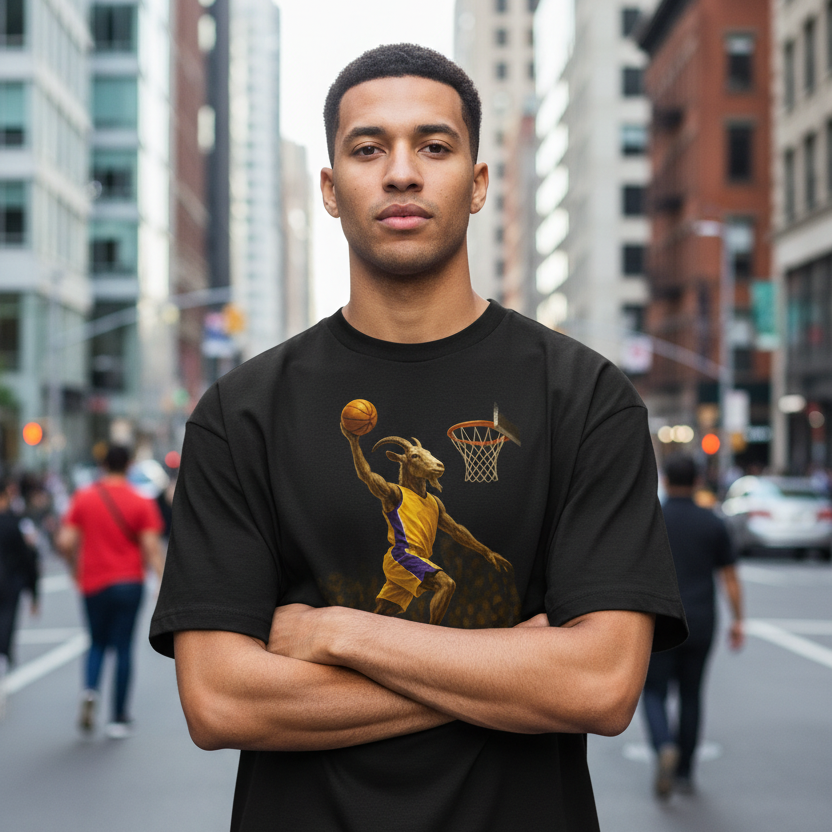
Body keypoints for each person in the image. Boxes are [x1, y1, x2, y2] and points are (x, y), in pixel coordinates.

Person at [150, 44, 687, 831]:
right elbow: (221, 701)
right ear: (330, 190)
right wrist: (517, 667)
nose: (402, 173)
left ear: (478, 183)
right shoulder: (240, 414)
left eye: (434, 147)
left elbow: (599, 687)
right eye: (369, 149)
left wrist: (336, 634)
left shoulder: (585, 398)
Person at [642, 453, 744, 799]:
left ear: (666, 480)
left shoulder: (653, 520)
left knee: (653, 691)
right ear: (698, 481)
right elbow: (730, 578)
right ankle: (685, 771)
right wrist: (738, 621)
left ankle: (663, 745)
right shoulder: (712, 522)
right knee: (691, 694)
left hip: (661, 619)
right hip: (701, 620)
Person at [57, 446, 164, 738]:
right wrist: (160, 581)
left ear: (103, 465)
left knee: (97, 642)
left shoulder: (84, 497)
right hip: (129, 582)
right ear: (129, 466)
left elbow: (65, 541)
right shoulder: (140, 501)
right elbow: (151, 547)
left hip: (93, 582)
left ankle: (90, 691)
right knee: (124, 647)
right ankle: (118, 718)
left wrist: (73, 567)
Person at [0, 479, 40, 716]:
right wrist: (34, 592)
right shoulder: (15, 523)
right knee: (6, 626)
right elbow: (28, 557)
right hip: (9, 585)